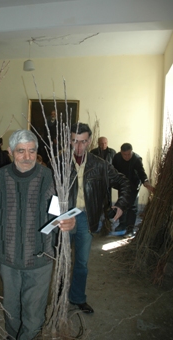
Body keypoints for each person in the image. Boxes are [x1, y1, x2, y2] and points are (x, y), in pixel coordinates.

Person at [0, 129, 75, 340]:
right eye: (21, 151)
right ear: (10, 152)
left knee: (34, 312)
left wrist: (68, 222)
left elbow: (61, 214)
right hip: (7, 258)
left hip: (40, 257)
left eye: (31, 151)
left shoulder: (51, 179)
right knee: (10, 307)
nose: (27, 157)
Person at [68, 123, 130, 313]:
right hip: (63, 218)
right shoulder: (59, 162)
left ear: (90, 141)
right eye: (74, 141)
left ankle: (77, 298)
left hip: (86, 217)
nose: (79, 147)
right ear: (69, 140)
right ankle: (58, 295)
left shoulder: (100, 165)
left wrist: (120, 204)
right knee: (60, 260)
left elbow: (124, 181)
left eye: (83, 141)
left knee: (82, 263)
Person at [112, 143, 154, 235]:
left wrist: (146, 182)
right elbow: (112, 171)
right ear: (121, 152)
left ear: (132, 152)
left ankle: (130, 229)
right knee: (122, 204)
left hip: (134, 185)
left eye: (129, 154)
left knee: (132, 206)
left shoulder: (136, 159)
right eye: (124, 155)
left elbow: (141, 173)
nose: (127, 157)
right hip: (122, 185)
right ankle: (122, 224)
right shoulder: (117, 158)